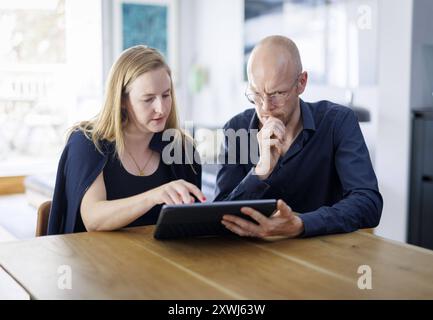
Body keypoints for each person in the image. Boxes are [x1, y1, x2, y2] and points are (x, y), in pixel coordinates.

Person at [215, 35, 383, 239]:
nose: (266, 108)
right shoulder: (235, 130)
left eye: (276, 93)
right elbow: (219, 219)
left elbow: (368, 203)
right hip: (254, 256)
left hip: (324, 255)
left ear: (301, 83)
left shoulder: (337, 122)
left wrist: (302, 224)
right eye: (256, 95)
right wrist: (260, 171)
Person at [48, 45, 205, 234]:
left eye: (166, 95)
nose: (161, 108)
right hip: (95, 260)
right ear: (122, 100)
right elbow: (93, 219)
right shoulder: (88, 142)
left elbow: (191, 224)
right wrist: (153, 196)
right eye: (148, 99)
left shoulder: (182, 148)